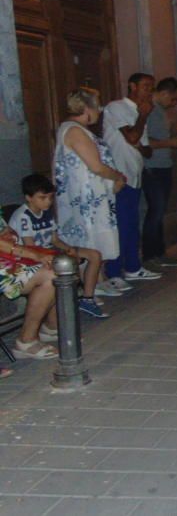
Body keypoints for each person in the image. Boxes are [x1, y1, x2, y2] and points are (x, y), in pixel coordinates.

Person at [54, 88, 125, 303]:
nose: (99, 111)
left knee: (96, 238)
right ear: (86, 109)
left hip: (93, 196)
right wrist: (118, 176)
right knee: (89, 238)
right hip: (85, 199)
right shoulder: (75, 131)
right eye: (97, 106)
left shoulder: (78, 129)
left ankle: (98, 281)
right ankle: (88, 290)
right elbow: (95, 166)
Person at [11, 174, 106, 318]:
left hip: (49, 250)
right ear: (29, 197)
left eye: (50, 197)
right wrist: (60, 254)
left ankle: (87, 298)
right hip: (32, 258)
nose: (48, 202)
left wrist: (68, 249)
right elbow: (30, 247)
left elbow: (55, 239)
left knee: (94, 255)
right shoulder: (23, 216)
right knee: (65, 265)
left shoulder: (46, 212)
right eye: (42, 198)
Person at [103, 73, 162, 287]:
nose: (149, 91)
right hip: (118, 175)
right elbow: (132, 137)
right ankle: (114, 272)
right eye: (146, 86)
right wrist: (143, 117)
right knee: (119, 224)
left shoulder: (139, 113)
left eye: (151, 87)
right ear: (132, 86)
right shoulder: (116, 107)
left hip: (135, 174)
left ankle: (133, 267)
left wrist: (141, 142)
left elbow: (144, 149)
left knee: (131, 225)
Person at [142, 77, 177, 269]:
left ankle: (160, 252)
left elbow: (160, 138)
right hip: (152, 167)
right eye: (173, 99)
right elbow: (145, 141)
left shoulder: (161, 112)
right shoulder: (148, 110)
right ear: (163, 93)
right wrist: (170, 143)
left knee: (160, 211)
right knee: (155, 210)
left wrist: (175, 141)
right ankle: (149, 255)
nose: (175, 104)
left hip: (164, 165)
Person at [1, 216, 59, 360]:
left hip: (7, 257)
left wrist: (9, 234)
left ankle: (52, 327)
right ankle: (26, 340)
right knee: (50, 275)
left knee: (56, 267)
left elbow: (7, 230)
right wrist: (34, 254)